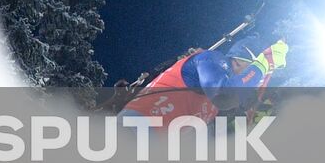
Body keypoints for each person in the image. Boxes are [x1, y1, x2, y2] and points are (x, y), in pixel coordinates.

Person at [119, 37, 288, 123]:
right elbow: (224, 96)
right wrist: (264, 64)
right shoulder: (210, 59)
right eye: (253, 69)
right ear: (239, 60)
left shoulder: (224, 92)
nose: (257, 80)